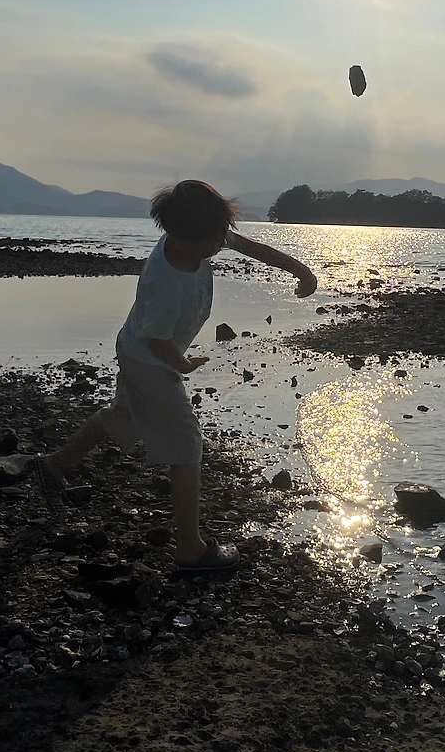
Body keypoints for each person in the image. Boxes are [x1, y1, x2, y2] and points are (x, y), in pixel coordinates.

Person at [34, 179, 317, 572]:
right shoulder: (166, 282)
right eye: (213, 241)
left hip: (135, 348)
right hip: (150, 361)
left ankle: (54, 465)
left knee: (123, 415)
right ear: (180, 239)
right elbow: (156, 340)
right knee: (186, 444)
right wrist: (181, 365)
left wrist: (300, 270)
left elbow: (250, 247)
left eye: (222, 235)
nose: (220, 244)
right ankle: (190, 548)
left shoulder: (203, 234)